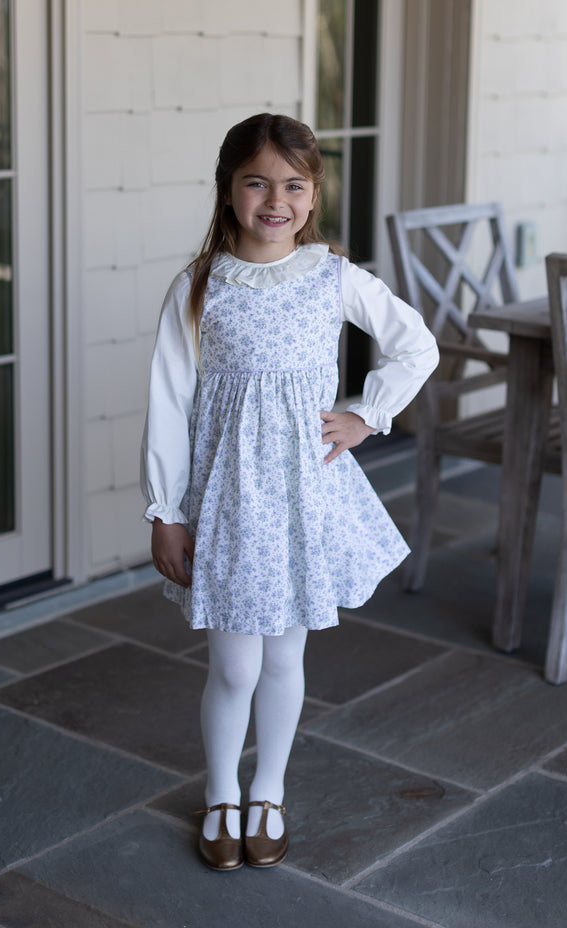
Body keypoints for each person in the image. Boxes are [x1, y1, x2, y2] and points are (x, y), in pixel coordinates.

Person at [140, 113, 438, 872]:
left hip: (304, 496)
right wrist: (165, 510)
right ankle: (220, 793)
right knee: (234, 666)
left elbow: (416, 344)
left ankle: (268, 790)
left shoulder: (333, 276)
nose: (276, 199)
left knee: (282, 661)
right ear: (230, 189)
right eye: (258, 182)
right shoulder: (201, 285)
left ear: (312, 196)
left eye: (294, 185)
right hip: (232, 501)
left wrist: (366, 415)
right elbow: (169, 400)